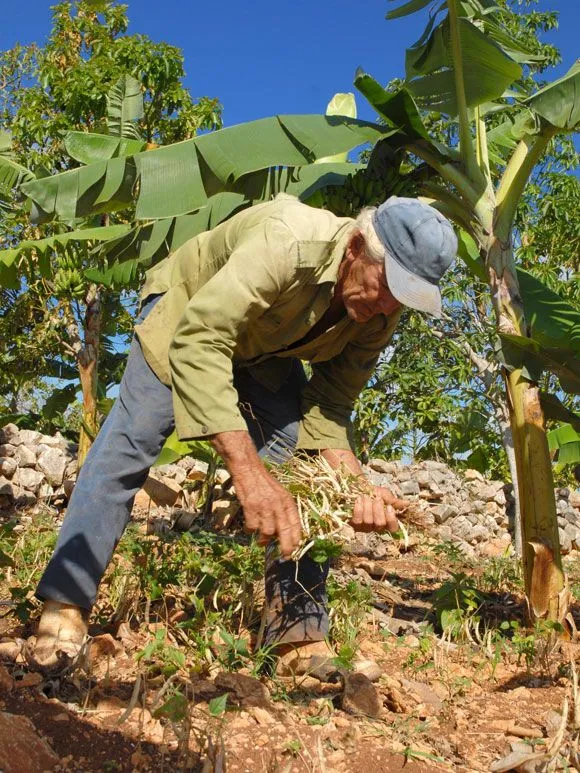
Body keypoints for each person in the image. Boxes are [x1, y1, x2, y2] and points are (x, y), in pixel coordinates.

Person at [28, 193, 457, 672]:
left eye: (402, 297)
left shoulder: (379, 313)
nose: (385, 306)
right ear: (356, 247)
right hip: (188, 317)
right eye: (386, 285)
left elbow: (331, 404)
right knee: (131, 443)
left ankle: (298, 638)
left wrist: (352, 486)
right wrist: (249, 472)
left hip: (264, 351)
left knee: (300, 468)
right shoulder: (288, 241)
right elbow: (200, 340)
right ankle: (63, 606)